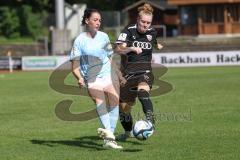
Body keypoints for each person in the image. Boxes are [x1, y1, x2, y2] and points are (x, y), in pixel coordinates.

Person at [69, 8, 124, 149]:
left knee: (114, 102)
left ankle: (109, 139)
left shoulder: (104, 37)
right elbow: (74, 64)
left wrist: (118, 73)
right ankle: (110, 136)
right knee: (99, 101)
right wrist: (80, 77)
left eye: (99, 20)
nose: (98, 22)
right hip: (92, 78)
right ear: (87, 20)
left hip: (107, 75)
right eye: (95, 20)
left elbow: (110, 57)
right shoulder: (79, 40)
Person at [114, 3, 163, 140]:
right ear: (137, 19)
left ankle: (151, 123)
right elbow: (118, 49)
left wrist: (157, 46)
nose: (145, 25)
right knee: (123, 109)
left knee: (143, 92)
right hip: (127, 76)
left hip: (145, 72)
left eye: (148, 22)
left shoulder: (152, 32)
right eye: (143, 22)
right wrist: (131, 49)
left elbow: (153, 42)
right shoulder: (128, 31)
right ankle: (128, 132)